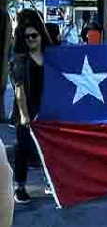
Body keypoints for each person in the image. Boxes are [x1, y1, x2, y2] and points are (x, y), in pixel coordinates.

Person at [10, 15, 53, 204]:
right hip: (26, 111)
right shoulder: (20, 60)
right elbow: (19, 91)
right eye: (27, 37)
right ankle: (20, 186)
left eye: (34, 35)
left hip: (47, 110)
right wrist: (25, 116)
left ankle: (50, 182)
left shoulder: (51, 56)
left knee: (49, 147)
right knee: (23, 149)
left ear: (41, 35)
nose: (31, 39)